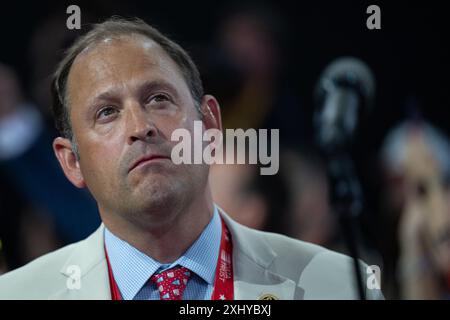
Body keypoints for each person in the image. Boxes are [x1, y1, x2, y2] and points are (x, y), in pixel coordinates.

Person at [0, 17, 382, 300]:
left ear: (210, 125)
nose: (140, 125)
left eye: (158, 99)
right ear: (72, 163)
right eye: (107, 113)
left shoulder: (341, 287)